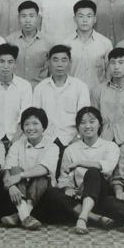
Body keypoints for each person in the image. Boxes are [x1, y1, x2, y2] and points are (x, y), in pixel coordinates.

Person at [46, 107, 120, 234]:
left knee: (93, 172)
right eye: (82, 122)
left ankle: (82, 217)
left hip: (101, 195)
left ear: (99, 124)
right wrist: (67, 188)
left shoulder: (110, 146)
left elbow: (107, 166)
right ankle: (95, 217)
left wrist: (79, 163)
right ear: (78, 127)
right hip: (79, 195)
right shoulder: (71, 150)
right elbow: (65, 177)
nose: (87, 126)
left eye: (92, 121)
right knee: (51, 191)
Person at [32, 45, 90, 174]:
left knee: (69, 176)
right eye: (55, 60)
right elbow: (35, 118)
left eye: (64, 60)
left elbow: (84, 117)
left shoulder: (80, 87)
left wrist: (78, 137)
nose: (59, 65)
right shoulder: (40, 88)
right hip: (46, 141)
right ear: (48, 62)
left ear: (70, 62)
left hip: (71, 140)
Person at [0, 108, 60, 230]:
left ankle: (21, 215)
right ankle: (26, 216)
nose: (31, 128)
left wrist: (20, 176)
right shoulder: (17, 145)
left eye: (35, 123)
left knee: (41, 176)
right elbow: (8, 169)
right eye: (26, 124)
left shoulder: (52, 147)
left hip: (43, 194)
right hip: (18, 193)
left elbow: (44, 168)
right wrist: (11, 186)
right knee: (15, 169)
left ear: (43, 127)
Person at [0, 44, 33, 150]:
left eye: (10, 62)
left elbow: (25, 117)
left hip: (19, 139)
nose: (5, 66)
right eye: (2, 61)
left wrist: (15, 140)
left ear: (16, 63)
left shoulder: (24, 86)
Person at [63, 0, 113, 90]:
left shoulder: (105, 43)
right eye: (80, 16)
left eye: (89, 16)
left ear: (95, 19)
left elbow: (109, 72)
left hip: (98, 93)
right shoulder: (66, 43)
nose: (85, 20)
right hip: (72, 92)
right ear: (74, 19)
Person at [6, 1, 54, 88]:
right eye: (23, 16)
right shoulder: (10, 40)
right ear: (18, 18)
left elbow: (52, 69)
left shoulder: (49, 41)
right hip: (15, 89)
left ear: (38, 18)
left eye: (31, 16)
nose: (27, 20)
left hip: (40, 89)